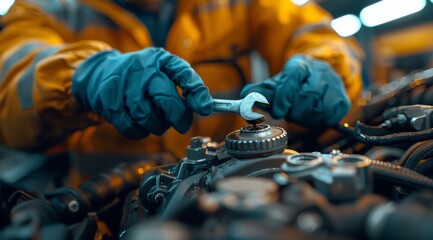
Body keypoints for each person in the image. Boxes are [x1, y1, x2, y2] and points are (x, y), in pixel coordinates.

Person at [0, 0, 362, 160]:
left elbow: (316, 32)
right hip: (108, 212)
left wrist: (324, 65)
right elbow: (11, 92)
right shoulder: (43, 7)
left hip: (233, 189)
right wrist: (85, 76)